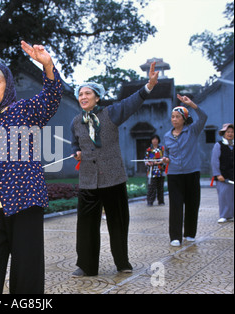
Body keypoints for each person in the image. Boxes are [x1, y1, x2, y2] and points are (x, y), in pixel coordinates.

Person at [0, 41, 63, 294]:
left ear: (7, 83)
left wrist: (48, 65)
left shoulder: (25, 110)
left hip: (24, 201)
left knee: (27, 269)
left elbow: (52, 98)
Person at [70, 62, 159, 277]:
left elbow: (130, 103)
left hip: (113, 178)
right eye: (80, 94)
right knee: (86, 226)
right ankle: (86, 265)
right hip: (88, 180)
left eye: (87, 93)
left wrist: (149, 86)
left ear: (97, 97)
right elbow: (74, 142)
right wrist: (76, 151)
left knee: (118, 223)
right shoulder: (75, 122)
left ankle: (122, 262)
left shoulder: (112, 113)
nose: (83, 97)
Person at [162, 95, 208, 247]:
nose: (174, 119)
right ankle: (175, 236)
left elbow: (204, 117)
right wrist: (166, 159)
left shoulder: (193, 130)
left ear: (184, 119)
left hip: (192, 173)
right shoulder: (167, 136)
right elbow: (167, 153)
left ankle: (189, 233)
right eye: (172, 117)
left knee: (192, 203)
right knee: (175, 205)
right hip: (174, 174)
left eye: (177, 117)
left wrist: (192, 104)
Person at [211, 123, 234, 223]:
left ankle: (232, 215)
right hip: (223, 176)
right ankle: (224, 215)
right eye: (228, 132)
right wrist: (217, 174)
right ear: (224, 134)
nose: (230, 134)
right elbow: (214, 161)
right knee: (223, 196)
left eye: (232, 132)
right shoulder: (218, 145)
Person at [144, 135, 166, 206]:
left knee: (160, 187)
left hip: (160, 170)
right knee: (151, 187)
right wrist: (148, 163)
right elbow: (146, 160)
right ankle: (150, 201)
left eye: (156, 139)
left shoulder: (162, 149)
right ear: (151, 140)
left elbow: (165, 159)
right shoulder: (148, 150)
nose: (155, 141)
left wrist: (159, 162)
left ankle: (161, 201)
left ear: (158, 140)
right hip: (151, 171)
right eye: (153, 139)